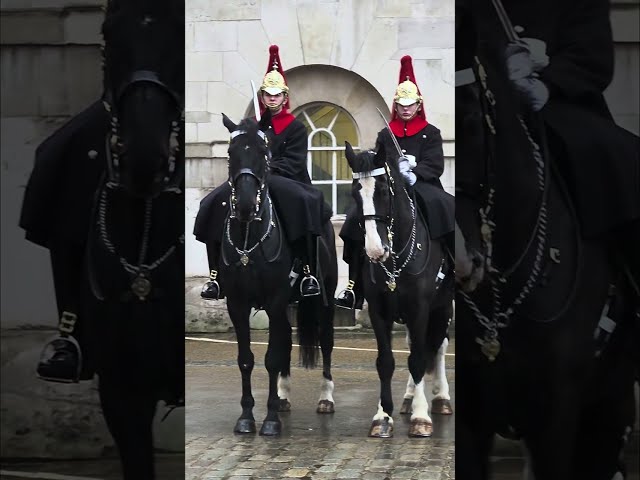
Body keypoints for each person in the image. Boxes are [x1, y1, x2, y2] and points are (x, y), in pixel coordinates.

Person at [195, 45, 326, 300]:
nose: (272, 99)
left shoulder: (296, 128)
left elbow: (295, 162)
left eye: (277, 95)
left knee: (302, 203)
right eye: (268, 95)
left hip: (285, 178)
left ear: (285, 97)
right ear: (263, 97)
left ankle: (308, 271)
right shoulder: (252, 126)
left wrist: (268, 168)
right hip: (252, 179)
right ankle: (215, 276)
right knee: (212, 202)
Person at [336, 55, 456, 310]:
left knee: (445, 207)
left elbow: (436, 163)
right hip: (391, 187)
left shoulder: (431, 132)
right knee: (355, 218)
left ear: (418, 105)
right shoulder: (385, 134)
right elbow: (379, 162)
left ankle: (453, 267)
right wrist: (395, 170)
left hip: (421, 185)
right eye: (401, 104)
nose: (405, 109)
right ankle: (354, 285)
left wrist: (417, 170)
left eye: (410, 104)